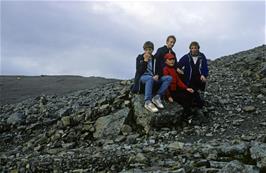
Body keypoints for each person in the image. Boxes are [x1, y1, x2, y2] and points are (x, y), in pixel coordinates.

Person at [131, 41, 172, 113]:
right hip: (142, 78)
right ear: (144, 49)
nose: (148, 51)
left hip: (153, 78)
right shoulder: (140, 57)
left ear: (152, 50)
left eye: (150, 49)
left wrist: (158, 75)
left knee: (168, 78)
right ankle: (147, 102)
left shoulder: (155, 59)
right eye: (146, 49)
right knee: (149, 78)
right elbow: (139, 71)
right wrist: (145, 61)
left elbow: (160, 70)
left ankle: (157, 97)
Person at [177, 41, 209, 108]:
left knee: (199, 86)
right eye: (192, 48)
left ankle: (199, 97)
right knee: (193, 92)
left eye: (195, 48)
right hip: (189, 79)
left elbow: (205, 67)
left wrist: (203, 74)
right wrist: (179, 70)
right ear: (190, 49)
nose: (194, 49)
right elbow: (178, 65)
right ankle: (200, 104)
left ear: (198, 48)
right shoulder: (186, 57)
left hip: (199, 78)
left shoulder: (202, 56)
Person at [163, 53, 194, 118]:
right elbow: (164, 85)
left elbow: (178, 81)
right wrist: (168, 96)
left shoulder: (173, 69)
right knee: (184, 98)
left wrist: (186, 88)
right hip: (170, 92)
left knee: (189, 94)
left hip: (175, 90)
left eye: (173, 59)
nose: (172, 61)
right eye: (170, 59)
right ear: (166, 61)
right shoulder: (165, 70)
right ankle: (186, 116)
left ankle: (188, 113)